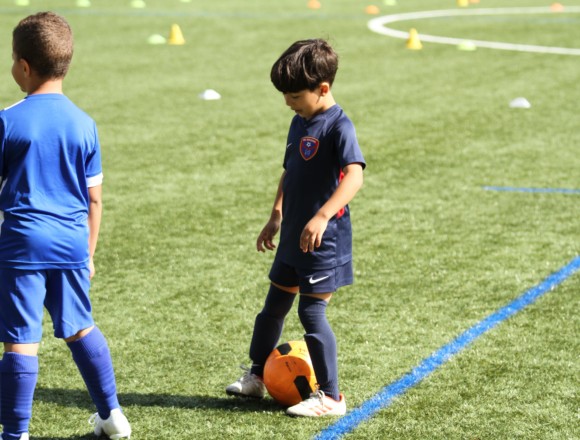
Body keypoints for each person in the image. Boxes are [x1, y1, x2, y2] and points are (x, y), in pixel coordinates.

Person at [0, 12, 131, 439]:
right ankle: (112, 417)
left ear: (23, 65)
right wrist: (88, 253)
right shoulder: (84, 123)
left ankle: (15, 433)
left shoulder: (8, 120)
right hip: (73, 242)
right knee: (79, 327)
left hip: (23, 244)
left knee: (21, 340)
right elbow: (95, 198)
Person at [226, 39, 365, 417]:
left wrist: (322, 216)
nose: (288, 102)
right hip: (292, 238)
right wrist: (276, 214)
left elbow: (354, 177)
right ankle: (256, 377)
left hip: (324, 242)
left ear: (323, 89)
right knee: (272, 309)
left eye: (294, 96)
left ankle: (332, 397)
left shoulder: (339, 126)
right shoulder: (299, 121)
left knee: (311, 314)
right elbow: (291, 172)